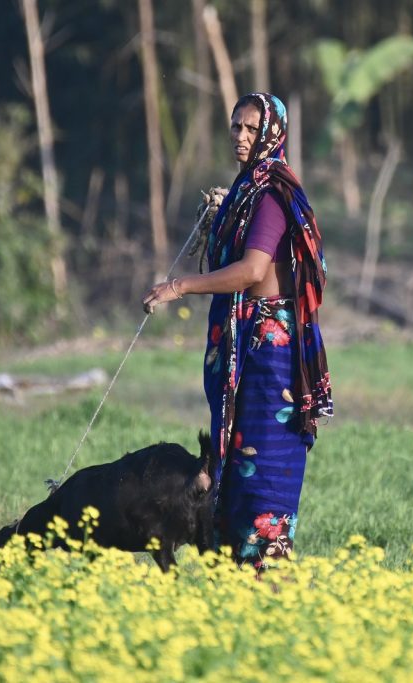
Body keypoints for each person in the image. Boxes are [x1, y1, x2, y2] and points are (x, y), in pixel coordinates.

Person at [141, 92, 333, 569]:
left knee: (263, 467)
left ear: (272, 134)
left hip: (269, 359)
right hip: (250, 349)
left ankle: (267, 578)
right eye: (235, 127)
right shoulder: (250, 190)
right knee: (236, 471)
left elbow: (251, 271)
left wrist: (180, 287)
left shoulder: (270, 195)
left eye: (251, 129)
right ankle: (238, 580)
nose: (241, 137)